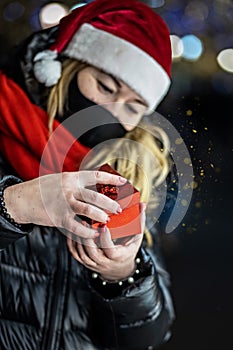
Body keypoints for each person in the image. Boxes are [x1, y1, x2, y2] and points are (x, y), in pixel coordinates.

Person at [0, 0, 176, 349]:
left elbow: (148, 337)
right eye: (106, 87)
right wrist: (16, 205)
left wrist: (123, 276)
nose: (110, 111)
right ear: (61, 70)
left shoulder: (127, 176)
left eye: (131, 106)